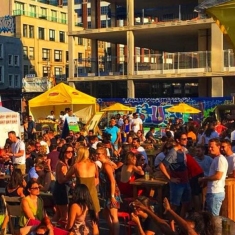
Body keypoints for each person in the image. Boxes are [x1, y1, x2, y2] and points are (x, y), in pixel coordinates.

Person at [159, 132, 190, 221]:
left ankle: (181, 223)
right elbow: (162, 165)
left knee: (185, 203)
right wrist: (170, 178)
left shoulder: (184, 150)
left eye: (186, 139)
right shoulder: (173, 152)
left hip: (185, 181)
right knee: (174, 206)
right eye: (184, 139)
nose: (186, 140)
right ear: (178, 140)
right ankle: (170, 226)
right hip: (177, 183)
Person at [65, 146, 100, 215]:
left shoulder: (76, 165)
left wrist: (74, 178)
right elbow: (97, 177)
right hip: (92, 192)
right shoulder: (94, 165)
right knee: (95, 214)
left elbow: (67, 176)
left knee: (79, 215)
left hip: (80, 193)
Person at [198, 138, 228, 216]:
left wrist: (204, 179)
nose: (209, 149)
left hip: (215, 192)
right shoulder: (216, 159)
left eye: (212, 147)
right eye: (208, 147)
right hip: (212, 192)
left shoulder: (220, 159)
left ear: (218, 147)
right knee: (210, 218)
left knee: (213, 218)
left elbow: (218, 176)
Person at [96, 147, 121, 235]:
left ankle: (115, 233)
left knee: (114, 216)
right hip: (107, 192)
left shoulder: (106, 165)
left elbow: (112, 181)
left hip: (112, 192)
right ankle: (112, 231)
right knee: (105, 213)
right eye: (96, 153)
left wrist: (112, 196)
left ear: (104, 154)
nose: (97, 155)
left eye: (99, 154)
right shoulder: (105, 164)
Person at [53, 144, 74, 222]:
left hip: (59, 189)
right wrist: (70, 178)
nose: (70, 153)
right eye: (68, 151)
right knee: (64, 217)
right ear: (63, 153)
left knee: (58, 213)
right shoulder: (62, 165)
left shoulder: (62, 163)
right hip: (61, 190)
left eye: (72, 151)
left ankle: (51, 229)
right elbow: (61, 180)